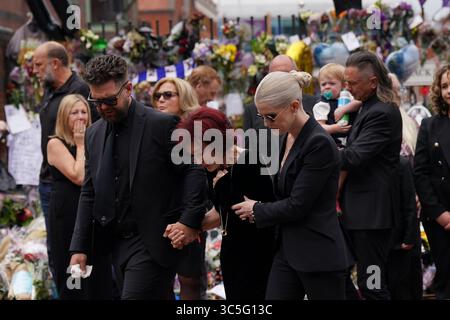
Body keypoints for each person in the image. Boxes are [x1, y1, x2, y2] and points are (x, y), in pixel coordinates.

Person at [69, 55, 206, 300]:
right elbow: (89, 192)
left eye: (110, 100)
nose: (102, 108)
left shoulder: (163, 124)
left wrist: (189, 221)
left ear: (128, 89)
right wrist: (79, 246)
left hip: (153, 241)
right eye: (96, 101)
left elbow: (193, 170)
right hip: (114, 244)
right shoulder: (93, 134)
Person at [232, 71, 352, 300]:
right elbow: (278, 186)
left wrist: (256, 209)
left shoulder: (318, 143)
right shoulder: (286, 137)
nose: (266, 124)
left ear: (295, 105)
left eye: (271, 116)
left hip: (318, 253)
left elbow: (299, 204)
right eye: (262, 117)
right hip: (287, 251)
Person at [173, 107, 276, 300]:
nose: (199, 161)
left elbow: (256, 213)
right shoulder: (213, 169)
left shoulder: (249, 162)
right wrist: (188, 228)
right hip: (232, 252)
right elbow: (222, 213)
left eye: (200, 153)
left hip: (258, 255)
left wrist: (224, 187)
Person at [339, 51, 402, 300]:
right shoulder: (368, 107)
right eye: (346, 82)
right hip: (361, 215)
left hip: (372, 220)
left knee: (373, 285)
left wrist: (318, 146)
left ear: (373, 82)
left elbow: (353, 157)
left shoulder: (381, 113)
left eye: (352, 83)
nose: (348, 88)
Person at [33, 41, 98, 278]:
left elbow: (93, 132)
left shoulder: (80, 91)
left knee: (71, 250)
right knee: (57, 248)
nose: (34, 70)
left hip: (73, 181)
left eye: (39, 64)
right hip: (52, 179)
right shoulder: (52, 90)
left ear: (56, 63)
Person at [151, 77, 206, 300]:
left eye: (168, 95)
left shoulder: (198, 131)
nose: (161, 100)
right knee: (156, 278)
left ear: (183, 98)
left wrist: (191, 219)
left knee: (189, 280)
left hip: (190, 213)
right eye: (157, 96)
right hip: (157, 215)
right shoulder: (150, 130)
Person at [47, 94, 92, 299]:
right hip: (67, 214)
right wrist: (81, 145)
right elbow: (78, 175)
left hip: (90, 212)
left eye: (84, 112)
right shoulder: (55, 144)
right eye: (75, 112)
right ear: (64, 117)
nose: (80, 117)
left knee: (94, 273)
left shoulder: (96, 139)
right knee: (73, 273)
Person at [414, 64, 450, 300]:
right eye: (445, 85)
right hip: (439, 219)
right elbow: (420, 173)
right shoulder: (429, 125)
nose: (449, 90)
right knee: (446, 276)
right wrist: (440, 214)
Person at [386, 73, 422, 300]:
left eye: (397, 88)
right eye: (392, 88)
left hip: (412, 208)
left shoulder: (409, 122)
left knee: (409, 280)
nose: (396, 93)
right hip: (389, 213)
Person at [312, 63, 362, 147]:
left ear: (343, 85)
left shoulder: (348, 96)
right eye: (323, 84)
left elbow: (359, 102)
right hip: (334, 143)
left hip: (353, 139)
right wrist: (335, 128)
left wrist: (344, 109)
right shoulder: (322, 105)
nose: (327, 87)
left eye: (332, 83)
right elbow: (320, 127)